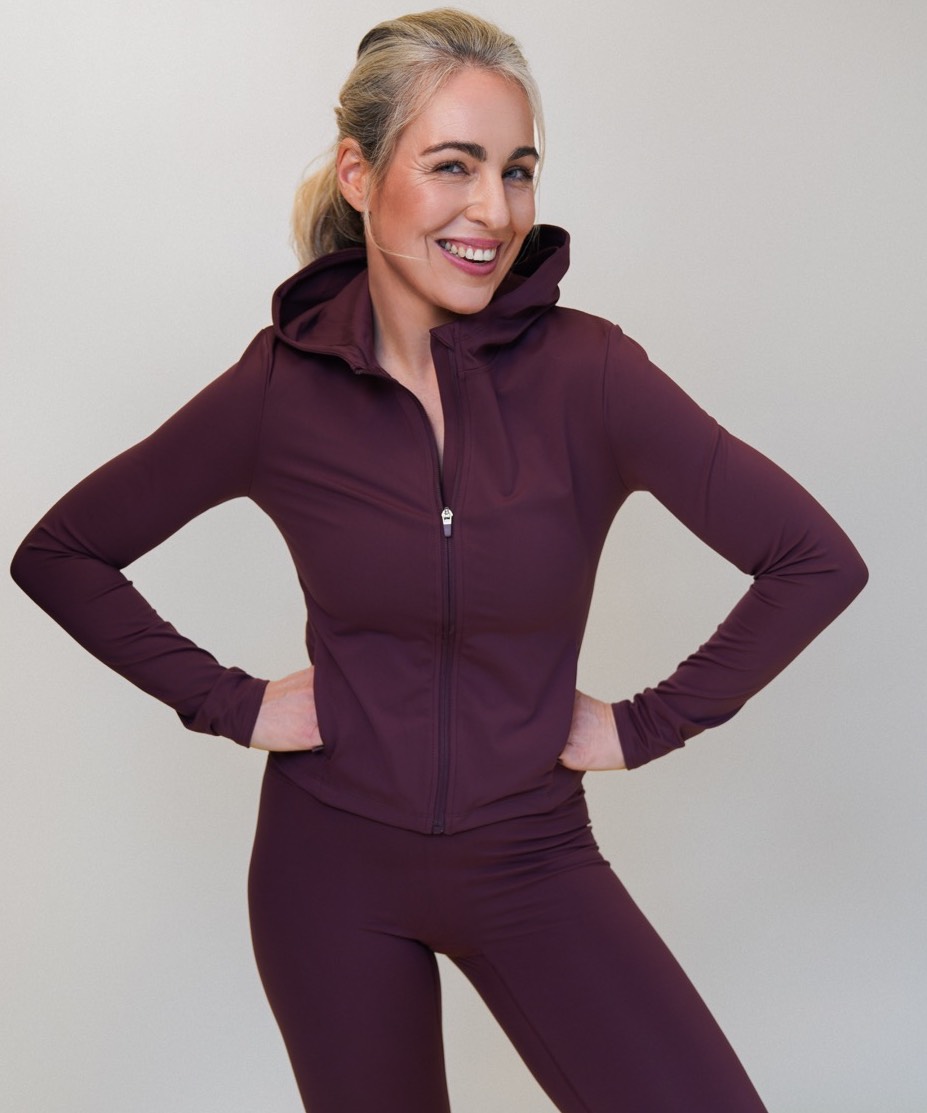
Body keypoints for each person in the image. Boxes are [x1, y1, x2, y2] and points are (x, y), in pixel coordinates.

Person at [10, 8, 868, 1112]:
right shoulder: (281, 388)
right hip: (329, 871)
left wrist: (646, 724)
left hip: (531, 858)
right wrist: (233, 702)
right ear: (360, 176)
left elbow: (812, 559)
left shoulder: (591, 375)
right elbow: (64, 553)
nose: (493, 211)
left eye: (517, 171)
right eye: (452, 165)